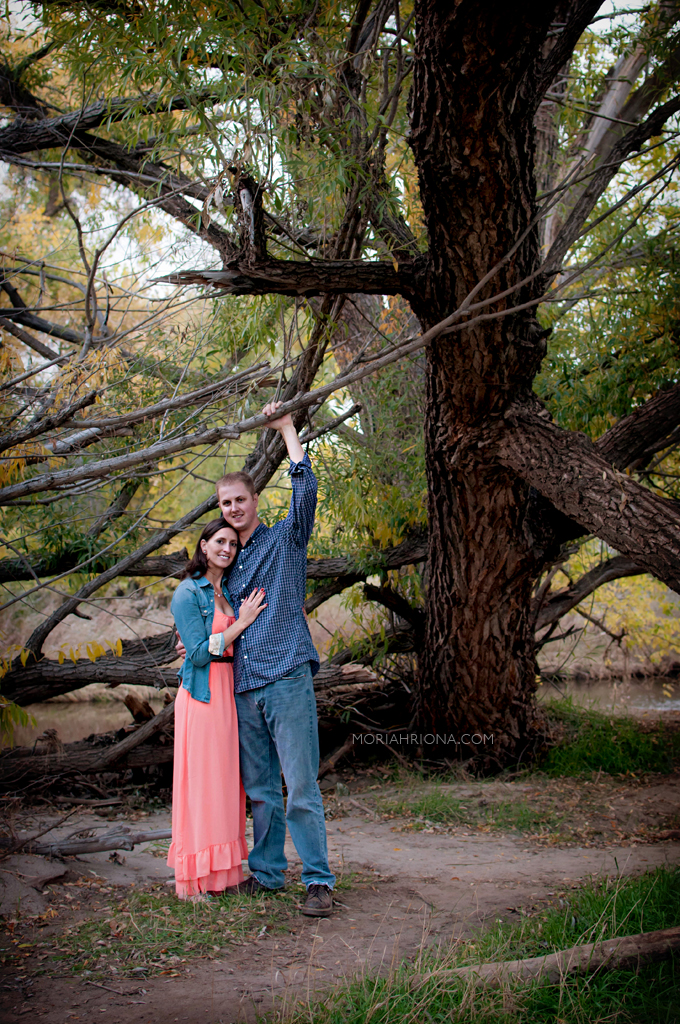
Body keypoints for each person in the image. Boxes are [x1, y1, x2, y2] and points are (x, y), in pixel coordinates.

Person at [215, 401, 335, 917]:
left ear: (255, 500)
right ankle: (265, 874)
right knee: (261, 789)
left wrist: (286, 429)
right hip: (243, 686)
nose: (233, 509)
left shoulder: (285, 539)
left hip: (286, 676)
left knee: (300, 786)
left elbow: (305, 489)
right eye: (225, 504)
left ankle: (317, 880)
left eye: (240, 500)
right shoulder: (226, 562)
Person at [168, 517, 267, 900]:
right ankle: (193, 881)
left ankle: (223, 877)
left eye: (233, 544)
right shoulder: (187, 592)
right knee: (203, 786)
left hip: (231, 692)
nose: (227, 549)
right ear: (204, 545)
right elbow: (195, 655)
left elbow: (213, 643)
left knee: (228, 785)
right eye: (220, 542)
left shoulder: (229, 588)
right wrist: (239, 624)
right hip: (204, 696)